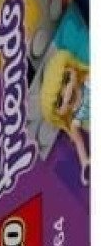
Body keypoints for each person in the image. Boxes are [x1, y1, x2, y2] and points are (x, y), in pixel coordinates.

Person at [38, 48, 90, 184]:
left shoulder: (88, 81)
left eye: (66, 79)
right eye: (59, 102)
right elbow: (79, 142)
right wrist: (85, 164)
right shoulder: (75, 121)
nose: (67, 94)